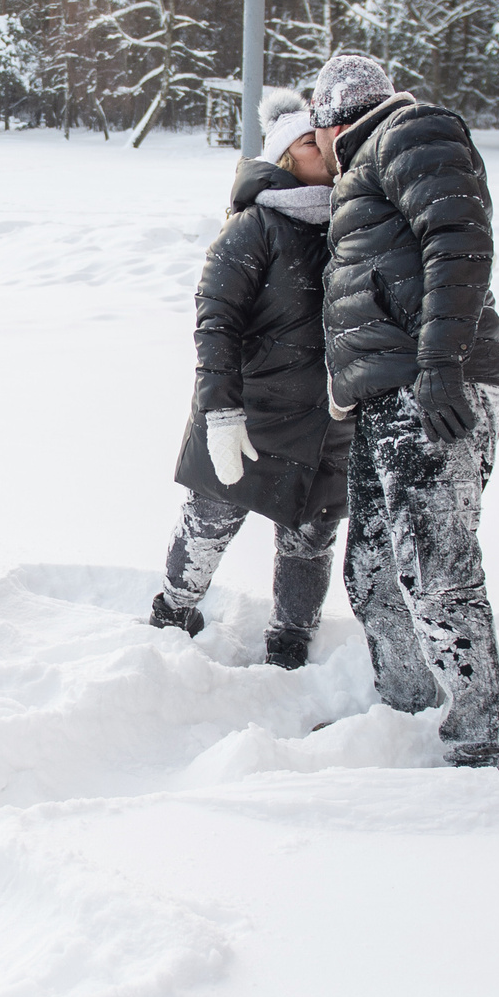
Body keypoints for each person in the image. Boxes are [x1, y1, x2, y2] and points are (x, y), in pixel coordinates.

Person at [310, 53, 499, 769]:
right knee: (371, 568)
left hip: (436, 387)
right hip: (388, 394)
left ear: (334, 116)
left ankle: (474, 742)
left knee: (436, 567)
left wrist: (439, 365)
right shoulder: (368, 164)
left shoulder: (410, 131)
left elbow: (458, 243)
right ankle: (406, 710)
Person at [148, 92, 355, 669]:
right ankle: (173, 611)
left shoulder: (352, 221)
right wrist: (221, 412)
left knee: (310, 539)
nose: (329, 149)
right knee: (210, 518)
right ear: (286, 156)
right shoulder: (255, 225)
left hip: (324, 419)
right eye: (312, 142)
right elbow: (216, 323)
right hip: (252, 411)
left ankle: (291, 641)